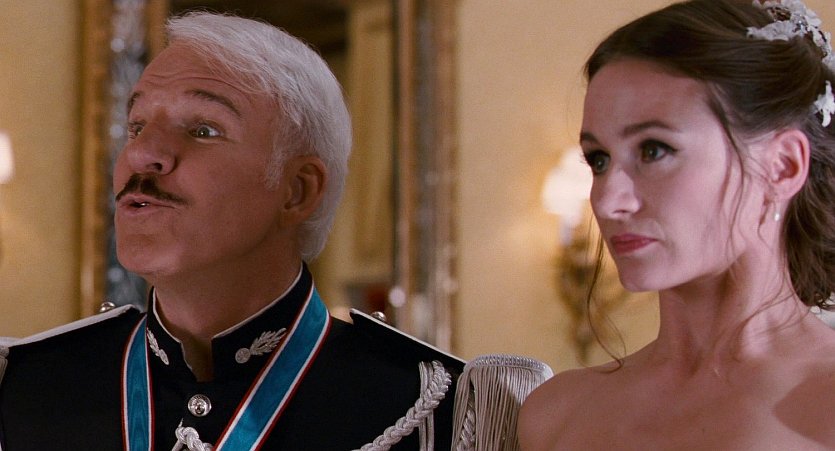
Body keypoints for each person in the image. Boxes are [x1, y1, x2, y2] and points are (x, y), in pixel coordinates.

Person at [0, 12, 464, 450]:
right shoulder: (26, 388)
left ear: (297, 191)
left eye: (203, 130)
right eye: (137, 126)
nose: (141, 155)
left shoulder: (435, 408)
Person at [518, 0, 835, 449]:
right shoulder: (555, 414)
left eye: (653, 151)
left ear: (782, 166)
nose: (608, 201)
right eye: (599, 159)